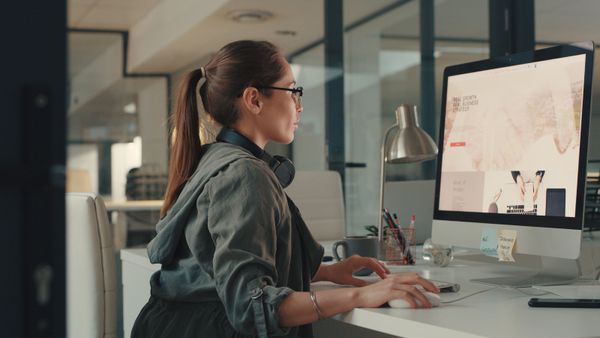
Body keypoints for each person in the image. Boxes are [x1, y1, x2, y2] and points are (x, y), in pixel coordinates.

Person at [131, 40, 439, 338]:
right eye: (293, 91)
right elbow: (251, 306)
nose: (299, 106)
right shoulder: (243, 174)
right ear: (254, 99)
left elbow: (219, 269)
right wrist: (361, 296)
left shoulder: (218, 158)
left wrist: (328, 272)